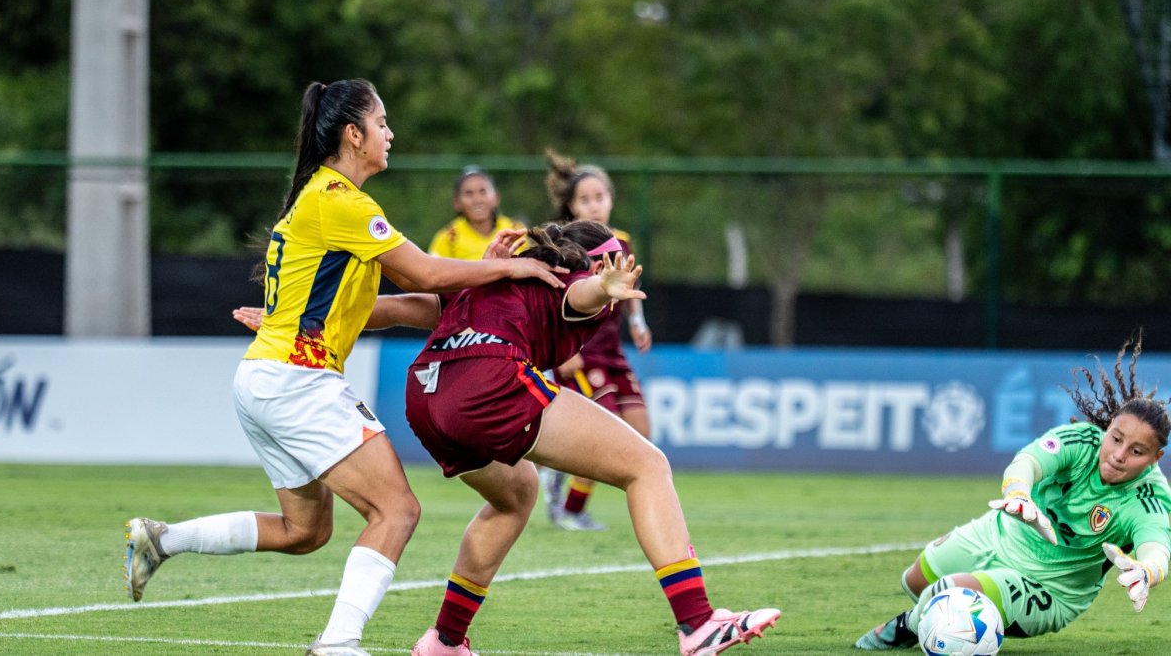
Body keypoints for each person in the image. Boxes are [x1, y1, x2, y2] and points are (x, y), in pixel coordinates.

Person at [123, 78, 563, 656]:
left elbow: (405, 303)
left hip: (266, 377)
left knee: (306, 531)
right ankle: (337, 643)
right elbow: (426, 275)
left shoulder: (324, 199)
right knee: (397, 509)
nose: (390, 134)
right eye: (382, 123)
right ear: (353, 134)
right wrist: (509, 273)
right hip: (296, 379)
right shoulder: (341, 201)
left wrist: (481, 277)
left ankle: (162, 539)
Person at [369, 219, 778, 656]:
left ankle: (445, 641)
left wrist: (308, 319)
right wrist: (602, 287)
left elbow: (398, 308)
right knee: (647, 466)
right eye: (617, 257)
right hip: (487, 383)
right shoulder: (571, 278)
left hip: (426, 395)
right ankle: (697, 623)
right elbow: (580, 294)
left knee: (516, 496)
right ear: (598, 260)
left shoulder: (494, 275)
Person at [855, 333, 1171, 650]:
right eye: (1116, 439)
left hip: (1048, 587)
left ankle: (908, 625)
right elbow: (1028, 462)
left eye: (1136, 451)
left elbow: (1157, 548)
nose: (1119, 455)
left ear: (1155, 458)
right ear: (1110, 427)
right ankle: (930, 618)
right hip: (997, 535)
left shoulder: (1149, 500)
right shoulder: (1082, 441)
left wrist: (1146, 571)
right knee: (915, 581)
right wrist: (1018, 494)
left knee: (949, 593)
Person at [539, 148, 655, 531]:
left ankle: (559, 477)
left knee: (642, 432)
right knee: (604, 435)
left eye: (600, 197)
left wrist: (638, 322)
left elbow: (629, 289)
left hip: (613, 353)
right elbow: (551, 298)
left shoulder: (621, 241)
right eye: (585, 199)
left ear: (611, 199)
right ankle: (569, 509)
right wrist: (558, 352)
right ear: (571, 206)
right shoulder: (565, 245)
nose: (594, 205)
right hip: (579, 354)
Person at [428, 167, 525, 261]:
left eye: (483, 192)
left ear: (496, 197)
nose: (477, 200)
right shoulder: (448, 238)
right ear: (456, 202)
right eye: (469, 193)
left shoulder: (516, 231)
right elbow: (432, 273)